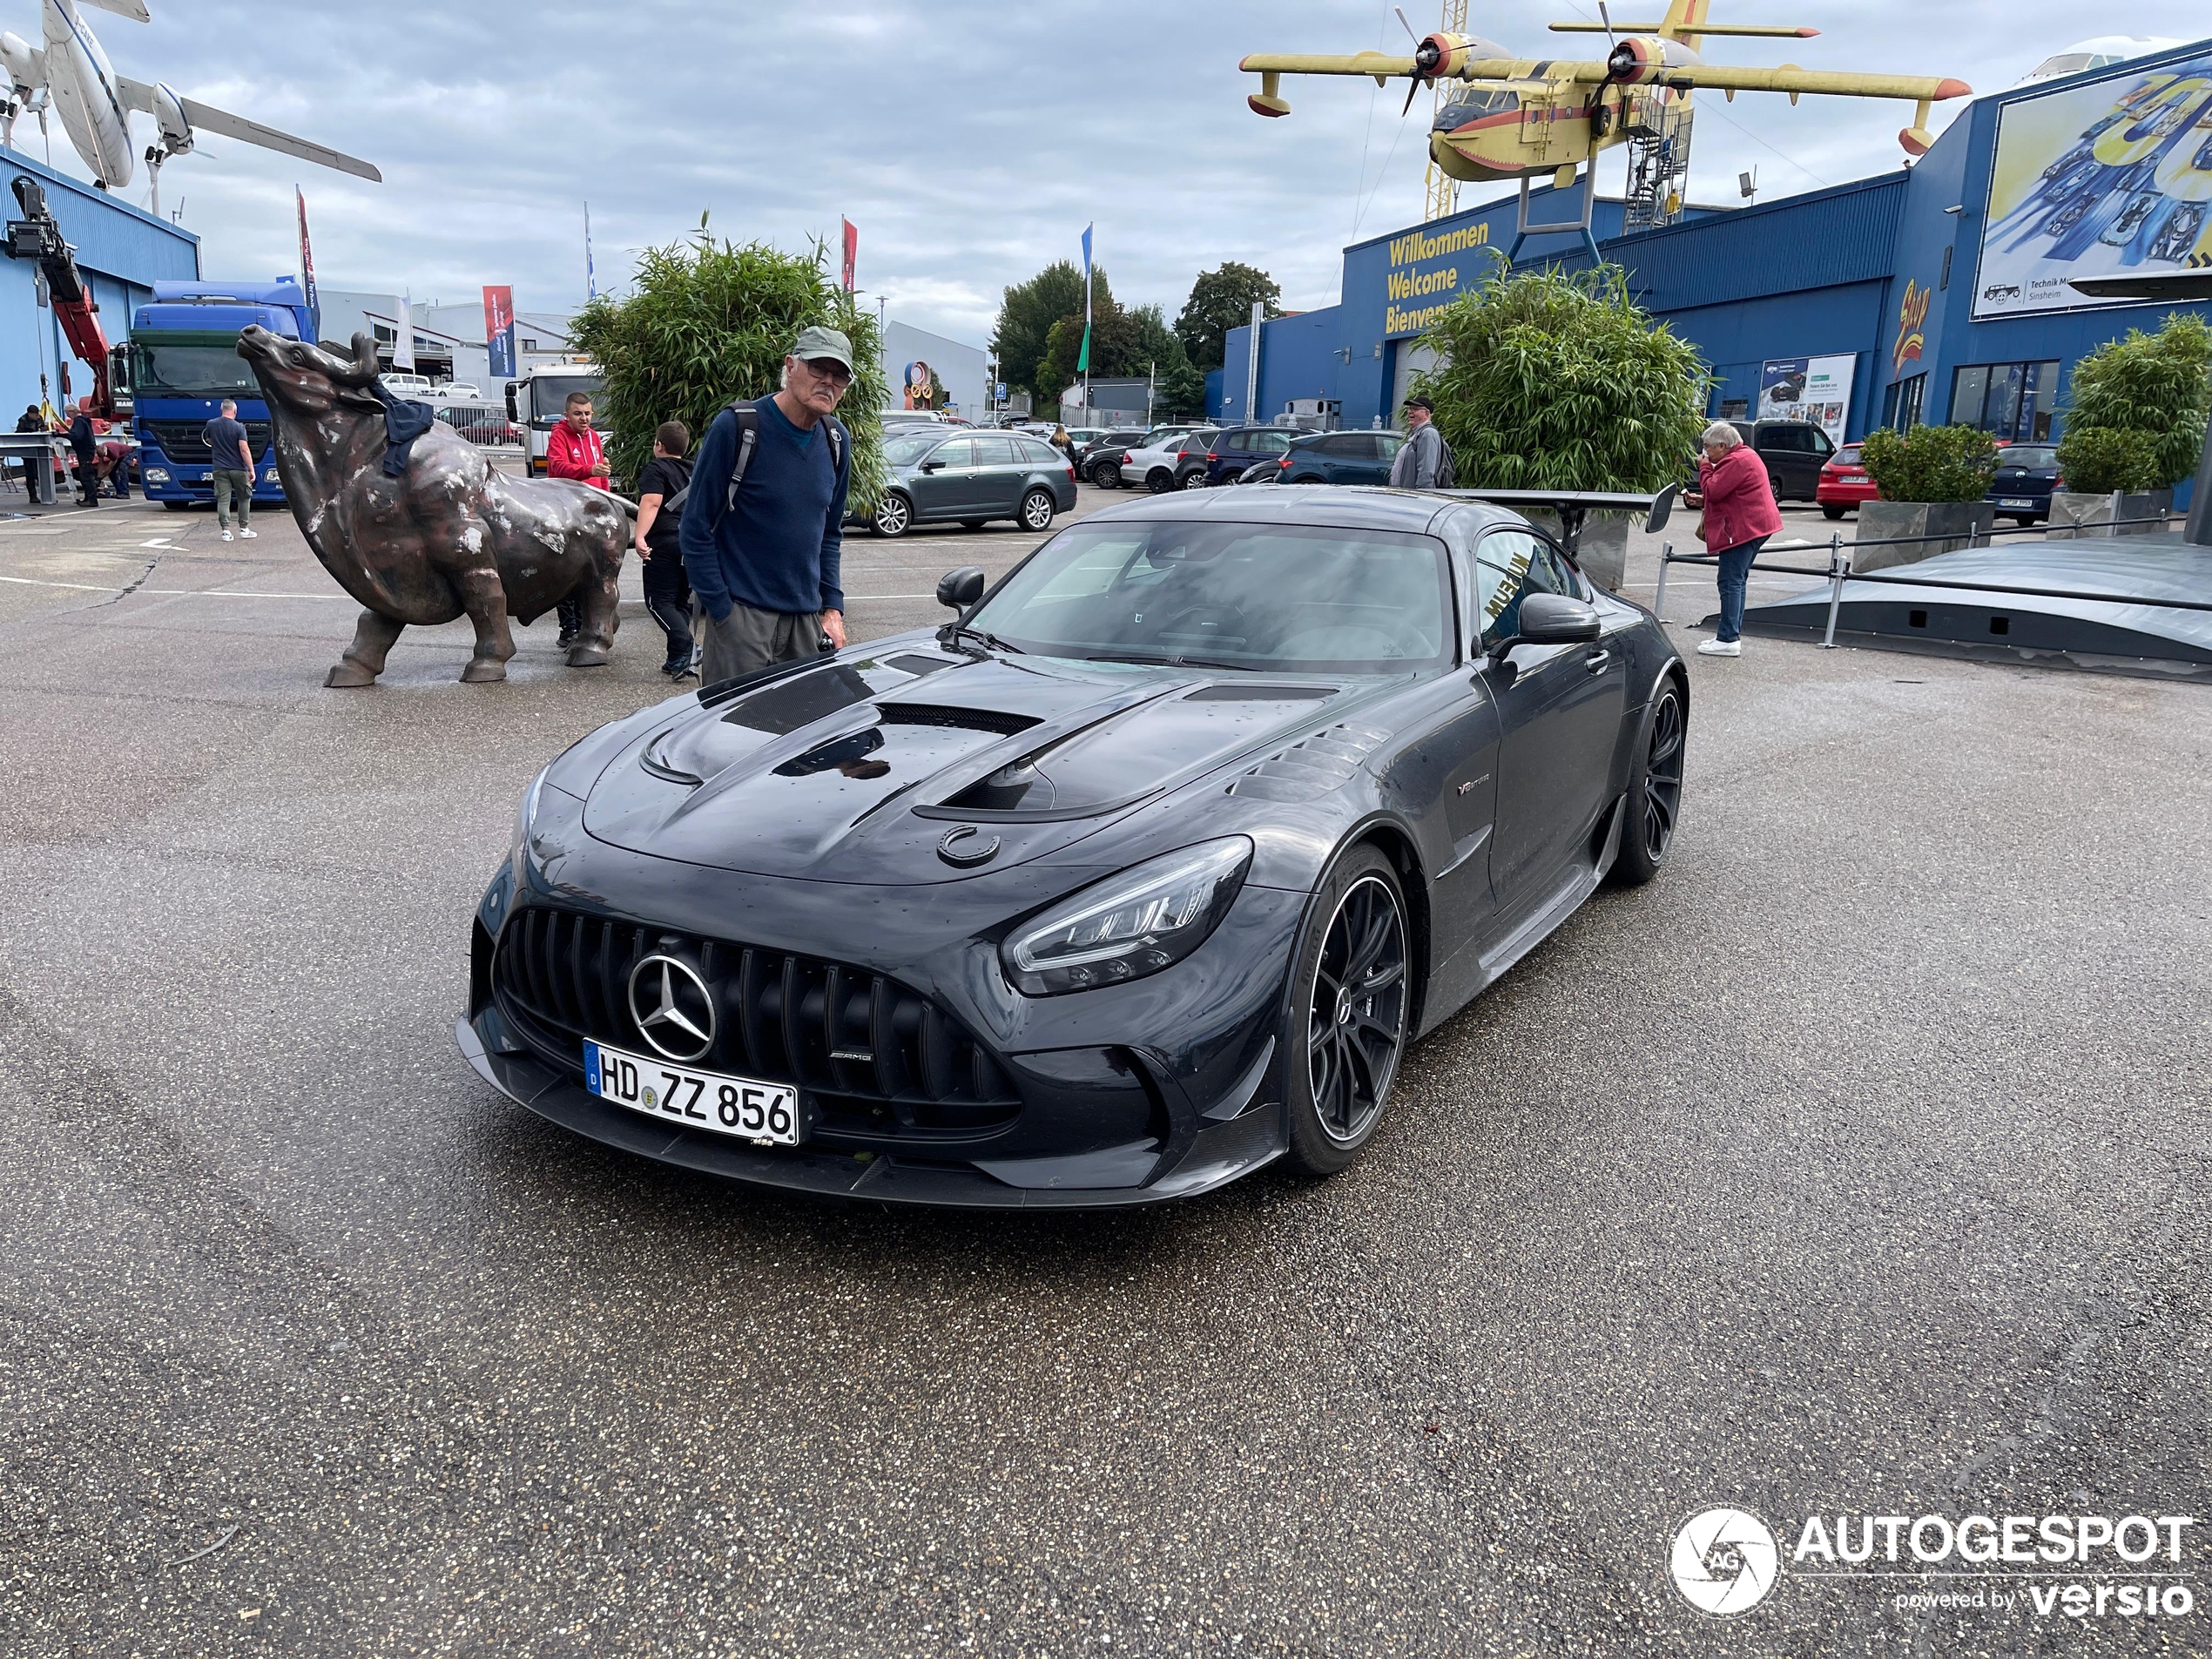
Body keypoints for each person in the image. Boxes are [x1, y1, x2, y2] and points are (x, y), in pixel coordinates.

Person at [678, 325, 854, 685]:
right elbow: (695, 526)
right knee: (733, 733)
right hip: (742, 618)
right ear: (791, 367)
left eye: (839, 376)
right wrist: (722, 609)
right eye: (819, 369)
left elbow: (830, 534)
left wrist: (832, 608)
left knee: (801, 732)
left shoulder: (836, 440)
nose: (828, 382)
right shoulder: (738, 427)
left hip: (806, 621)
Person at [1693, 421, 1782, 657]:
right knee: (1737, 580)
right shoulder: (1746, 456)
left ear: (1722, 445)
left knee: (1729, 580)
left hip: (1745, 529)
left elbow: (1714, 490)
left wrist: (1704, 468)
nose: (1705, 453)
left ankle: (1728, 639)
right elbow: (1730, 493)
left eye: (1707, 448)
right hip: (1757, 526)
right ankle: (1730, 634)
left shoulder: (1735, 461)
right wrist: (1702, 500)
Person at [633, 420, 697, 680]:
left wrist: (639, 537)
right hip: (693, 543)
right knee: (679, 601)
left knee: (658, 602)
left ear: (658, 445)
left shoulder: (657, 468)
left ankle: (688, 647)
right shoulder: (695, 469)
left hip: (666, 541)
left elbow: (652, 503)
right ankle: (676, 659)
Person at [546, 391, 610, 644]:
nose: (584, 418)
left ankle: (585, 624)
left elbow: (601, 475)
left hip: (592, 512)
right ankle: (568, 628)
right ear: (567, 415)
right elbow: (557, 467)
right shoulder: (558, 435)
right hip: (567, 511)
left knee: (591, 572)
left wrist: (608, 502)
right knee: (566, 570)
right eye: (578, 414)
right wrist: (589, 470)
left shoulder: (594, 437)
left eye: (587, 413)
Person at [202, 397, 256, 539]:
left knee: (223, 499)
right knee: (244, 497)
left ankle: (226, 531)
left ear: (221, 410)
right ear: (235, 411)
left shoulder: (211, 424)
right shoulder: (239, 427)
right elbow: (244, 449)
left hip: (220, 468)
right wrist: (251, 469)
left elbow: (209, 440)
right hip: (238, 468)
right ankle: (244, 529)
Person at [1388, 395, 1447, 489]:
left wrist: (1421, 496)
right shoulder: (1417, 433)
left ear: (1427, 413)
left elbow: (1426, 472)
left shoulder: (1428, 434)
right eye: (1410, 409)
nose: (1410, 412)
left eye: (1415, 409)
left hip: (1415, 498)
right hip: (1406, 495)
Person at [67, 395, 105, 509]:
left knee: (86, 476)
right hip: (88, 451)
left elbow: (77, 436)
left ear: (72, 412)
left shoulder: (79, 422)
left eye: (68, 413)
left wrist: (61, 435)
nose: (68, 416)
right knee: (86, 475)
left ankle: (92, 500)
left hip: (84, 451)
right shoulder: (84, 421)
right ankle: (88, 498)